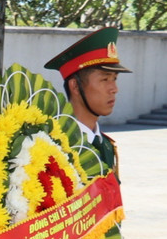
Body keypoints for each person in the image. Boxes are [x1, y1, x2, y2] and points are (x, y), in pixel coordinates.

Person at [44, 27, 130, 173]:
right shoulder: (54, 146)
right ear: (75, 86)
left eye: (114, 79)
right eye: (105, 79)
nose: (114, 89)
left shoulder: (106, 145)